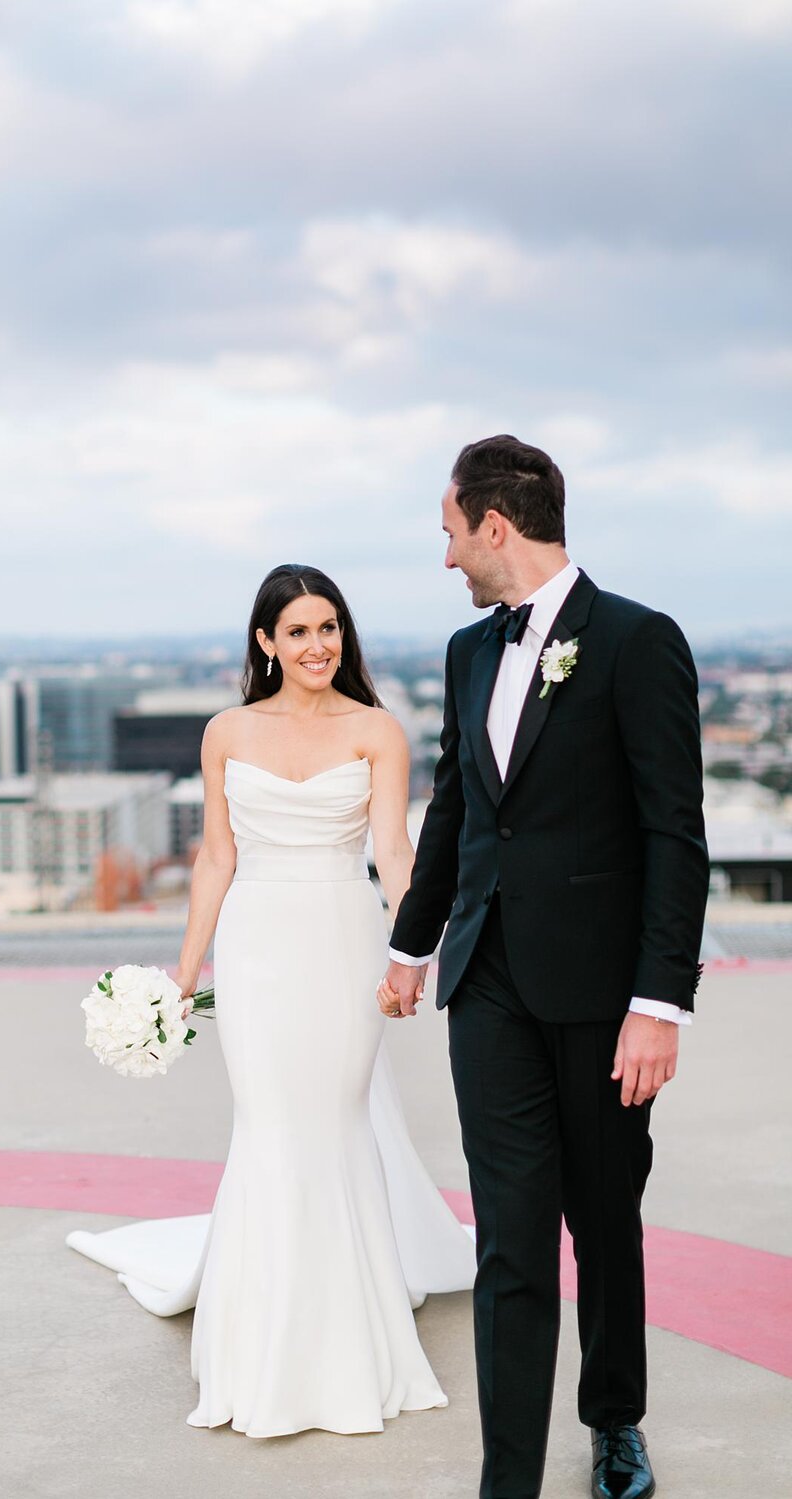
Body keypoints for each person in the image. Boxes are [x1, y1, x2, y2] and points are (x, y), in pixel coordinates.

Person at [67, 562, 476, 1438]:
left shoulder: (379, 730)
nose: (317, 645)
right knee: (267, 1124)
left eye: (328, 627)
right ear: (266, 642)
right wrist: (185, 974)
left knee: (330, 1124)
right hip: (255, 949)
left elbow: (396, 855)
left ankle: (346, 1347)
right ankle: (257, 1348)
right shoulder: (225, 731)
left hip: (342, 938)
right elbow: (216, 857)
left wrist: (412, 952)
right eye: (297, 631)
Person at [379, 435, 709, 1499]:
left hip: (607, 997)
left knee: (602, 1217)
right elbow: (460, 807)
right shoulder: (466, 652)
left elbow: (674, 833)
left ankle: (615, 1418)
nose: (444, 557)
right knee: (509, 1237)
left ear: (494, 524)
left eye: (447, 531)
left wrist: (658, 1001)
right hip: (488, 987)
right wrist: (409, 943)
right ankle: (506, 1479)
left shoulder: (636, 641)